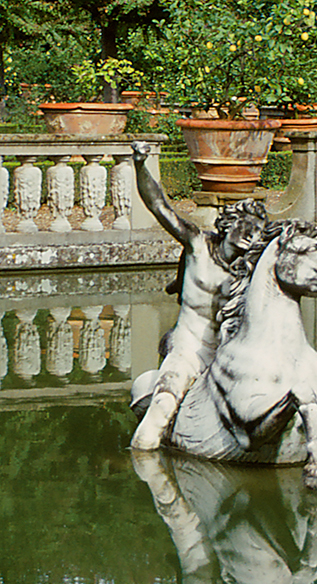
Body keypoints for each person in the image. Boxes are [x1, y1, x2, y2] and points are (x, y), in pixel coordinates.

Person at [128, 139, 267, 450]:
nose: (250, 235)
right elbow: (158, 205)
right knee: (163, 404)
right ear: (229, 224)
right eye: (245, 225)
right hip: (189, 348)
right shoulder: (198, 245)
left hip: (230, 353)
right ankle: (143, 455)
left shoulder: (251, 269)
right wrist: (140, 164)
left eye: (257, 231)